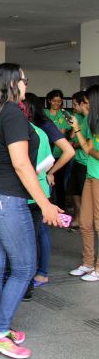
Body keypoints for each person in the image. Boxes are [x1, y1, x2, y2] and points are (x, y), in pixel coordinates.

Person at [0, 63, 63, 359]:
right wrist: (45, 203)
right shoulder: (12, 113)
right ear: (13, 83)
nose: (26, 84)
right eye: (24, 80)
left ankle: (1, 326)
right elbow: (22, 164)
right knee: (25, 267)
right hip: (6, 201)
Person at [24, 93, 74, 287]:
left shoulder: (44, 127)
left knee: (41, 230)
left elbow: (68, 151)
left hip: (39, 185)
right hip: (37, 184)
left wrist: (50, 172)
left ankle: (42, 272)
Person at [70, 85, 99, 281]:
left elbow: (90, 150)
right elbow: (87, 145)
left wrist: (89, 151)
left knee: (98, 223)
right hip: (91, 174)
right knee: (85, 223)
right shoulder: (91, 122)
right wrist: (77, 129)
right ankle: (88, 262)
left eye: (87, 103)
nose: (85, 106)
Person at [44, 89, 71, 209]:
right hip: (45, 154)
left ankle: (61, 209)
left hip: (60, 154)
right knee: (44, 182)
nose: (57, 103)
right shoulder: (43, 113)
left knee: (59, 183)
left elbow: (62, 134)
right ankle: (45, 207)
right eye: (54, 101)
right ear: (49, 101)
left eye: (59, 101)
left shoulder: (64, 115)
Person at [68, 91, 89, 228]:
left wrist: (74, 145)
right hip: (77, 160)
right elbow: (72, 137)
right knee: (72, 191)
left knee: (85, 195)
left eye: (76, 104)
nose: (74, 107)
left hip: (87, 163)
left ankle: (85, 221)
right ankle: (80, 217)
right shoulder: (80, 118)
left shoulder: (91, 119)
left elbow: (87, 142)